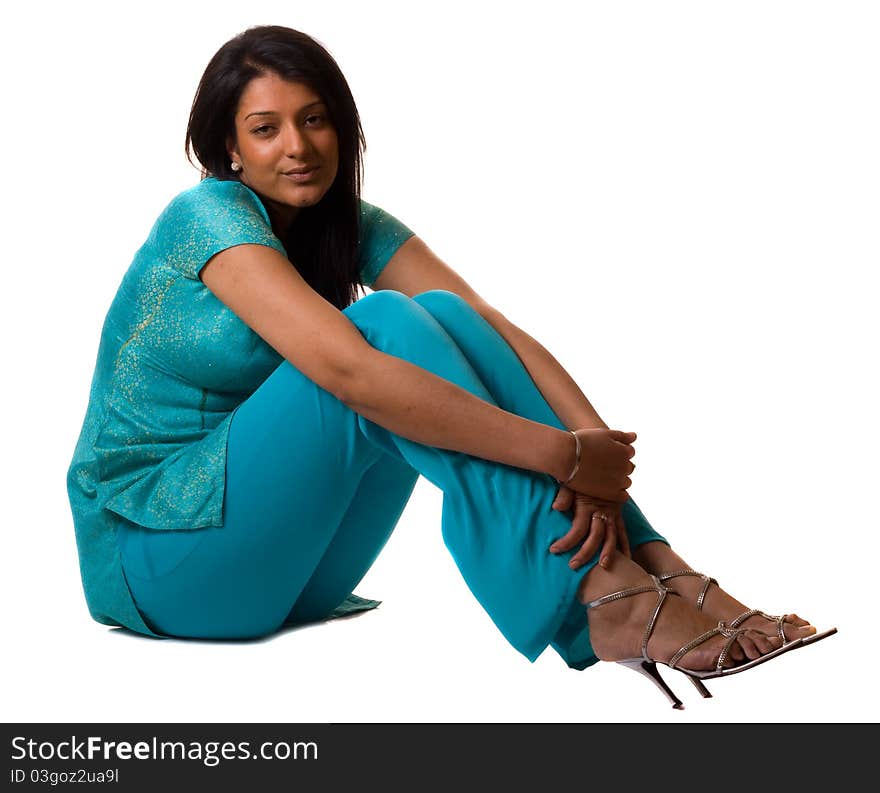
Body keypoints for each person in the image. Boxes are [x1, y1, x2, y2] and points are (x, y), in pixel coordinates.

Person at [66, 24, 834, 709]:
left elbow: (495, 330)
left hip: (299, 577)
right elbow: (349, 372)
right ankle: (605, 598)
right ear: (229, 147)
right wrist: (561, 455)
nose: (296, 147)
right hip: (161, 564)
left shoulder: (348, 226)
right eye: (265, 129)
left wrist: (595, 451)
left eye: (314, 120)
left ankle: (658, 566)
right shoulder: (206, 217)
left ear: (343, 128)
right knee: (380, 329)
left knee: (452, 320)